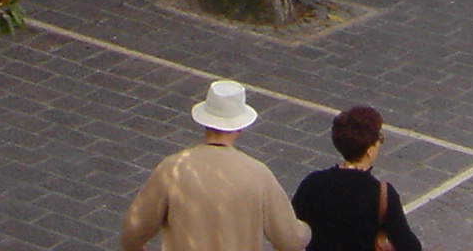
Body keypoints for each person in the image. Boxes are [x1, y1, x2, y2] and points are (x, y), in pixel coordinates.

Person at [120, 79, 310, 251]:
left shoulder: (173, 168)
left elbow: (133, 232)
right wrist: (308, 227)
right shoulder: (258, 174)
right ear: (241, 127)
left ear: (205, 121)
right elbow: (290, 241)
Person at [292, 106, 422, 251]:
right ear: (369, 150)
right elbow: (410, 246)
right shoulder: (382, 194)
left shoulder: (313, 183)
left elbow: (291, 229)